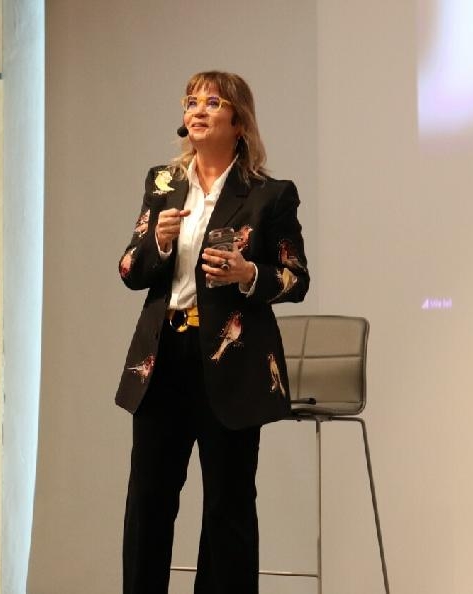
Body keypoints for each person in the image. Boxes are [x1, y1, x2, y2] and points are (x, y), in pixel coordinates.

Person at [115, 70, 309, 594]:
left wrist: (249, 274)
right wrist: (158, 242)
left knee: (228, 504)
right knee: (149, 500)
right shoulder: (163, 183)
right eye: (191, 101)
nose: (197, 110)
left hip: (231, 360)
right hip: (165, 356)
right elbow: (130, 270)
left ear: (238, 121)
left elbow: (296, 279)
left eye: (213, 102)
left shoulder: (270, 195)